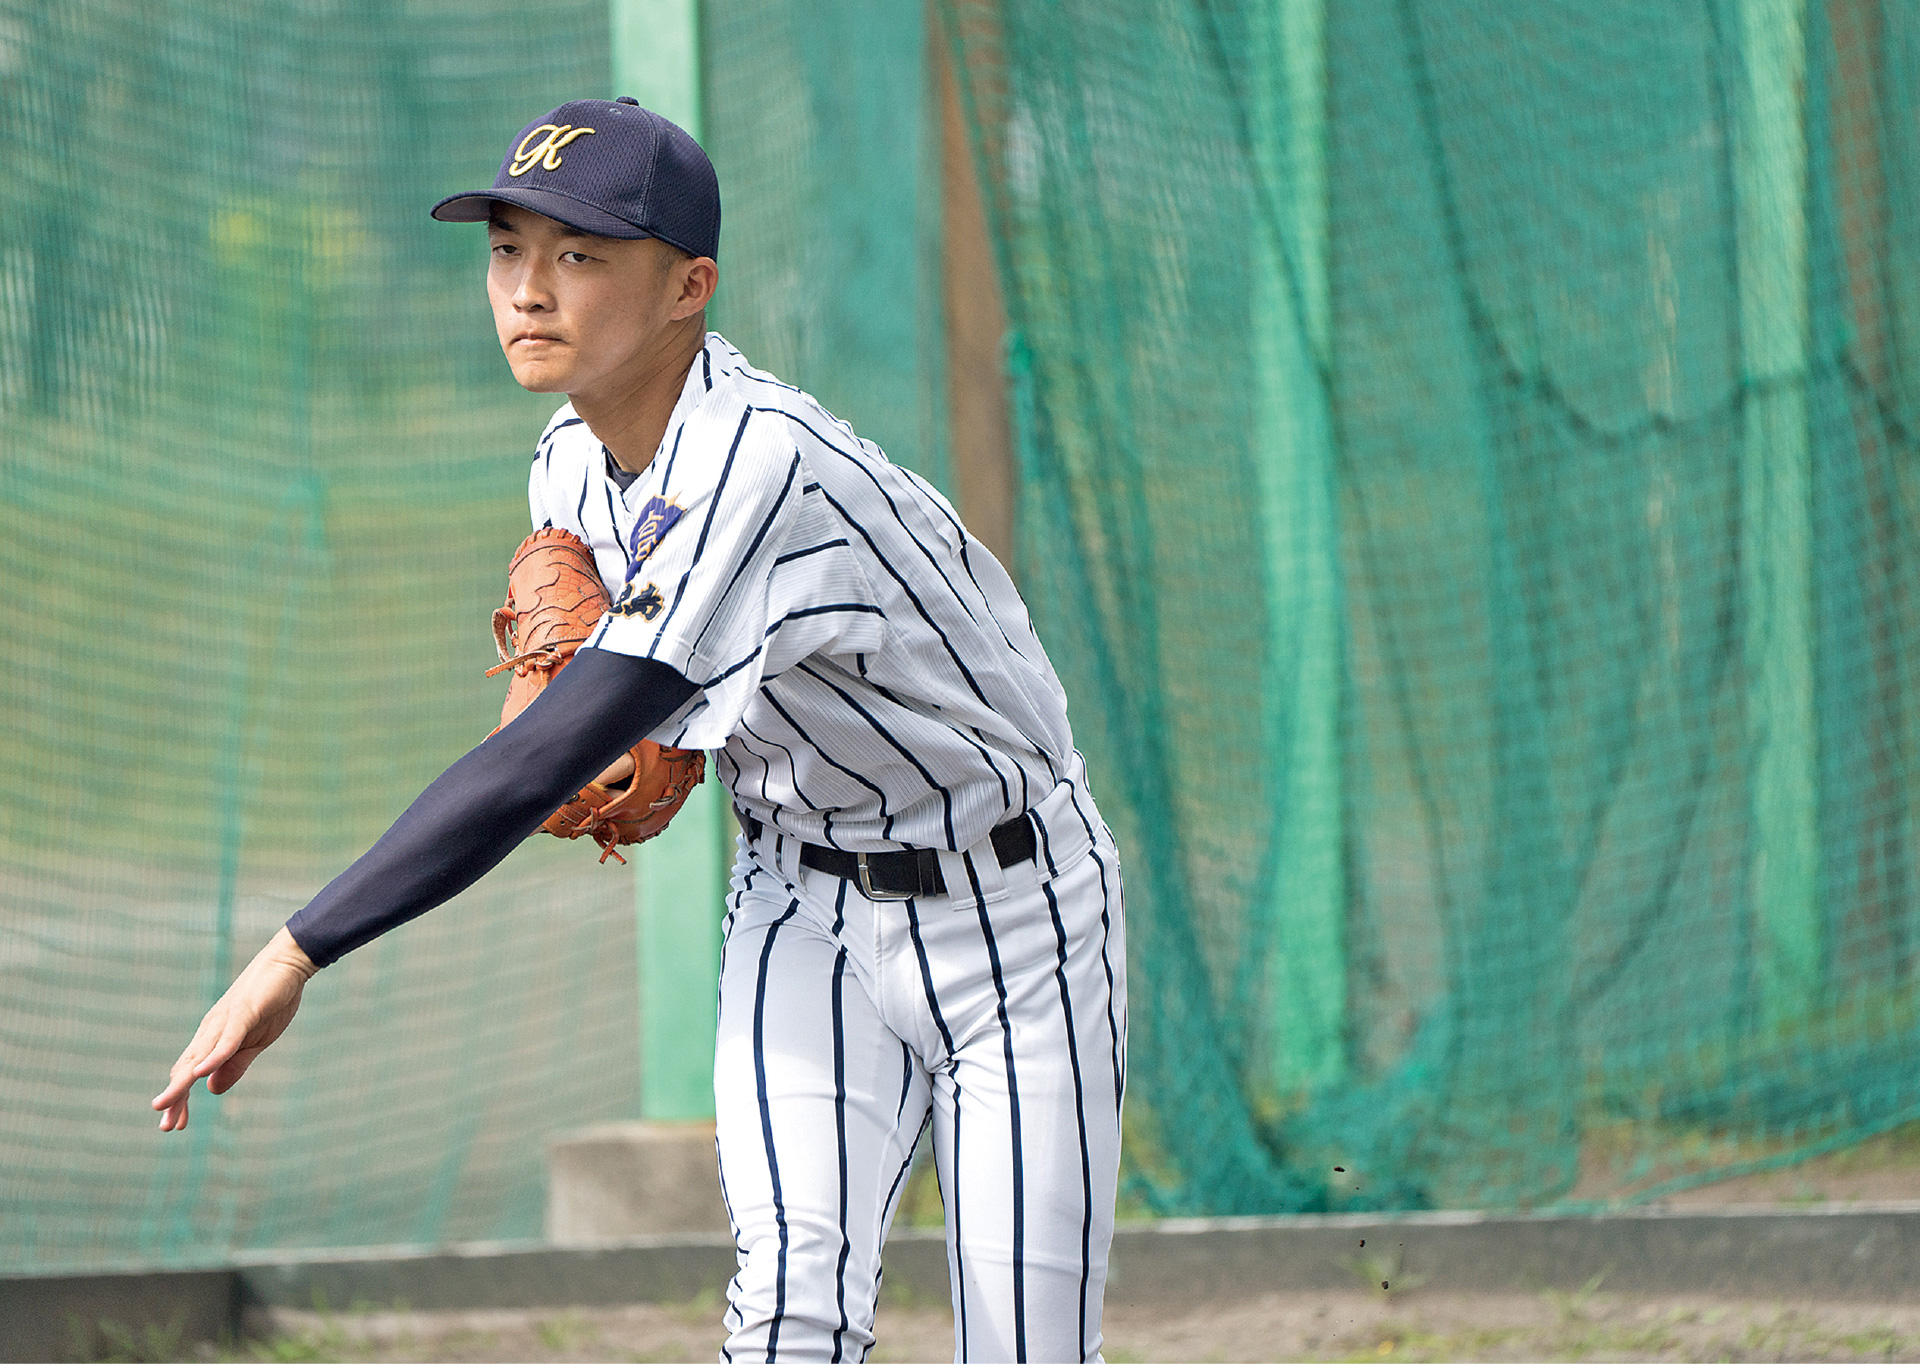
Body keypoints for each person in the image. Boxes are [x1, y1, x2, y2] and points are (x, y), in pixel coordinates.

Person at [153, 98, 1127, 1364]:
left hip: (1016, 916)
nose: (528, 290)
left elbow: (554, 746)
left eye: (580, 255)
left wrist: (293, 952)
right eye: (507, 250)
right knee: (785, 1319)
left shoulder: (759, 459)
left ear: (689, 288)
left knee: (1026, 1348)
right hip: (803, 906)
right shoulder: (567, 462)